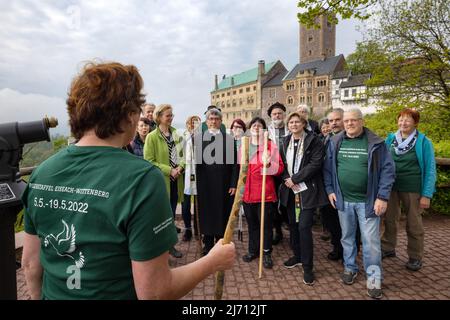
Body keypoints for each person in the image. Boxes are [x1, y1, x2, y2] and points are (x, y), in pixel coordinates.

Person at [20, 61, 235, 300]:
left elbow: (30, 265)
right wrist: (211, 262)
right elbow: (155, 292)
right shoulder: (142, 179)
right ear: (129, 115)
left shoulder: (42, 172)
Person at [323, 108, 395, 299]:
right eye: (346, 121)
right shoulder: (335, 141)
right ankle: (350, 267)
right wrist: (330, 190)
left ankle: (373, 278)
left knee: (371, 242)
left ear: (362, 121)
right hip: (343, 200)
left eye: (353, 120)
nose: (349, 124)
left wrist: (382, 197)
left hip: (368, 202)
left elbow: (388, 171)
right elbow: (328, 169)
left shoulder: (375, 143)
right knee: (346, 237)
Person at [381, 108, 436, 271]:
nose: (403, 123)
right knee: (389, 219)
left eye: (407, 120)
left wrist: (427, 194)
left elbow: (431, 169)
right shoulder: (390, 139)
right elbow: (382, 161)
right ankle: (388, 248)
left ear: (415, 123)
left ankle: (415, 256)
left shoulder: (424, 141)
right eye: (400, 119)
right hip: (391, 187)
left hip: (413, 188)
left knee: (414, 223)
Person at [279, 112, 328, 285]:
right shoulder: (285, 141)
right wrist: (287, 179)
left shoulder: (314, 141)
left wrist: (296, 179)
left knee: (304, 226)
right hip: (290, 190)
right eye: (290, 122)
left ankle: (308, 267)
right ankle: (298, 256)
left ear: (303, 123)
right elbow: (282, 164)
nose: (293, 125)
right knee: (293, 225)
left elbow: (315, 164)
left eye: (296, 122)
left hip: (307, 189)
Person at [195, 108, 239, 255]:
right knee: (207, 213)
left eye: (216, 119)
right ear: (206, 122)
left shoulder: (229, 139)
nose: (214, 121)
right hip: (205, 184)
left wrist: (233, 183)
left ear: (221, 121)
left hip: (224, 184)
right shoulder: (199, 139)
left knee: (222, 213)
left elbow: (234, 164)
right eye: (211, 119)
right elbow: (195, 163)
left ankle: (220, 242)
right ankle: (207, 244)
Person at [241, 117, 284, 269]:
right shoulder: (243, 145)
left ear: (264, 129)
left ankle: (266, 252)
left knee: (265, 226)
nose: (257, 127)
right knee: (252, 225)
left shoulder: (270, 146)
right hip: (248, 194)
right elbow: (239, 169)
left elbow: (279, 169)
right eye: (254, 125)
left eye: (260, 125)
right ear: (249, 128)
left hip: (264, 194)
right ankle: (253, 250)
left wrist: (269, 164)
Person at [144, 104, 184, 258]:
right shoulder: (151, 137)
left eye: (172, 115)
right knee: (162, 216)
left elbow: (184, 156)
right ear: (159, 117)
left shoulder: (177, 135)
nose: (171, 117)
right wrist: (169, 170)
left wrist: (180, 168)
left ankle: (171, 246)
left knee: (172, 214)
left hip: (176, 181)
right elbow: (149, 161)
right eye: (168, 115)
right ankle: (162, 247)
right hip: (161, 183)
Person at [267, 102, 289, 245]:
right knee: (273, 202)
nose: (277, 116)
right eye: (274, 114)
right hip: (273, 171)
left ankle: (291, 228)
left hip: (289, 170)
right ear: (270, 116)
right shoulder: (266, 132)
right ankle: (278, 231)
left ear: (284, 114)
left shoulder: (290, 129)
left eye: (280, 113)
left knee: (289, 202)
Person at [181, 115, 202, 241]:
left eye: (196, 123)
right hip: (186, 174)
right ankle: (188, 228)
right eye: (191, 123)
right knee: (185, 205)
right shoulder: (182, 137)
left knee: (199, 204)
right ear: (187, 125)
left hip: (200, 174)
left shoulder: (203, 137)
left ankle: (198, 228)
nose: (193, 126)